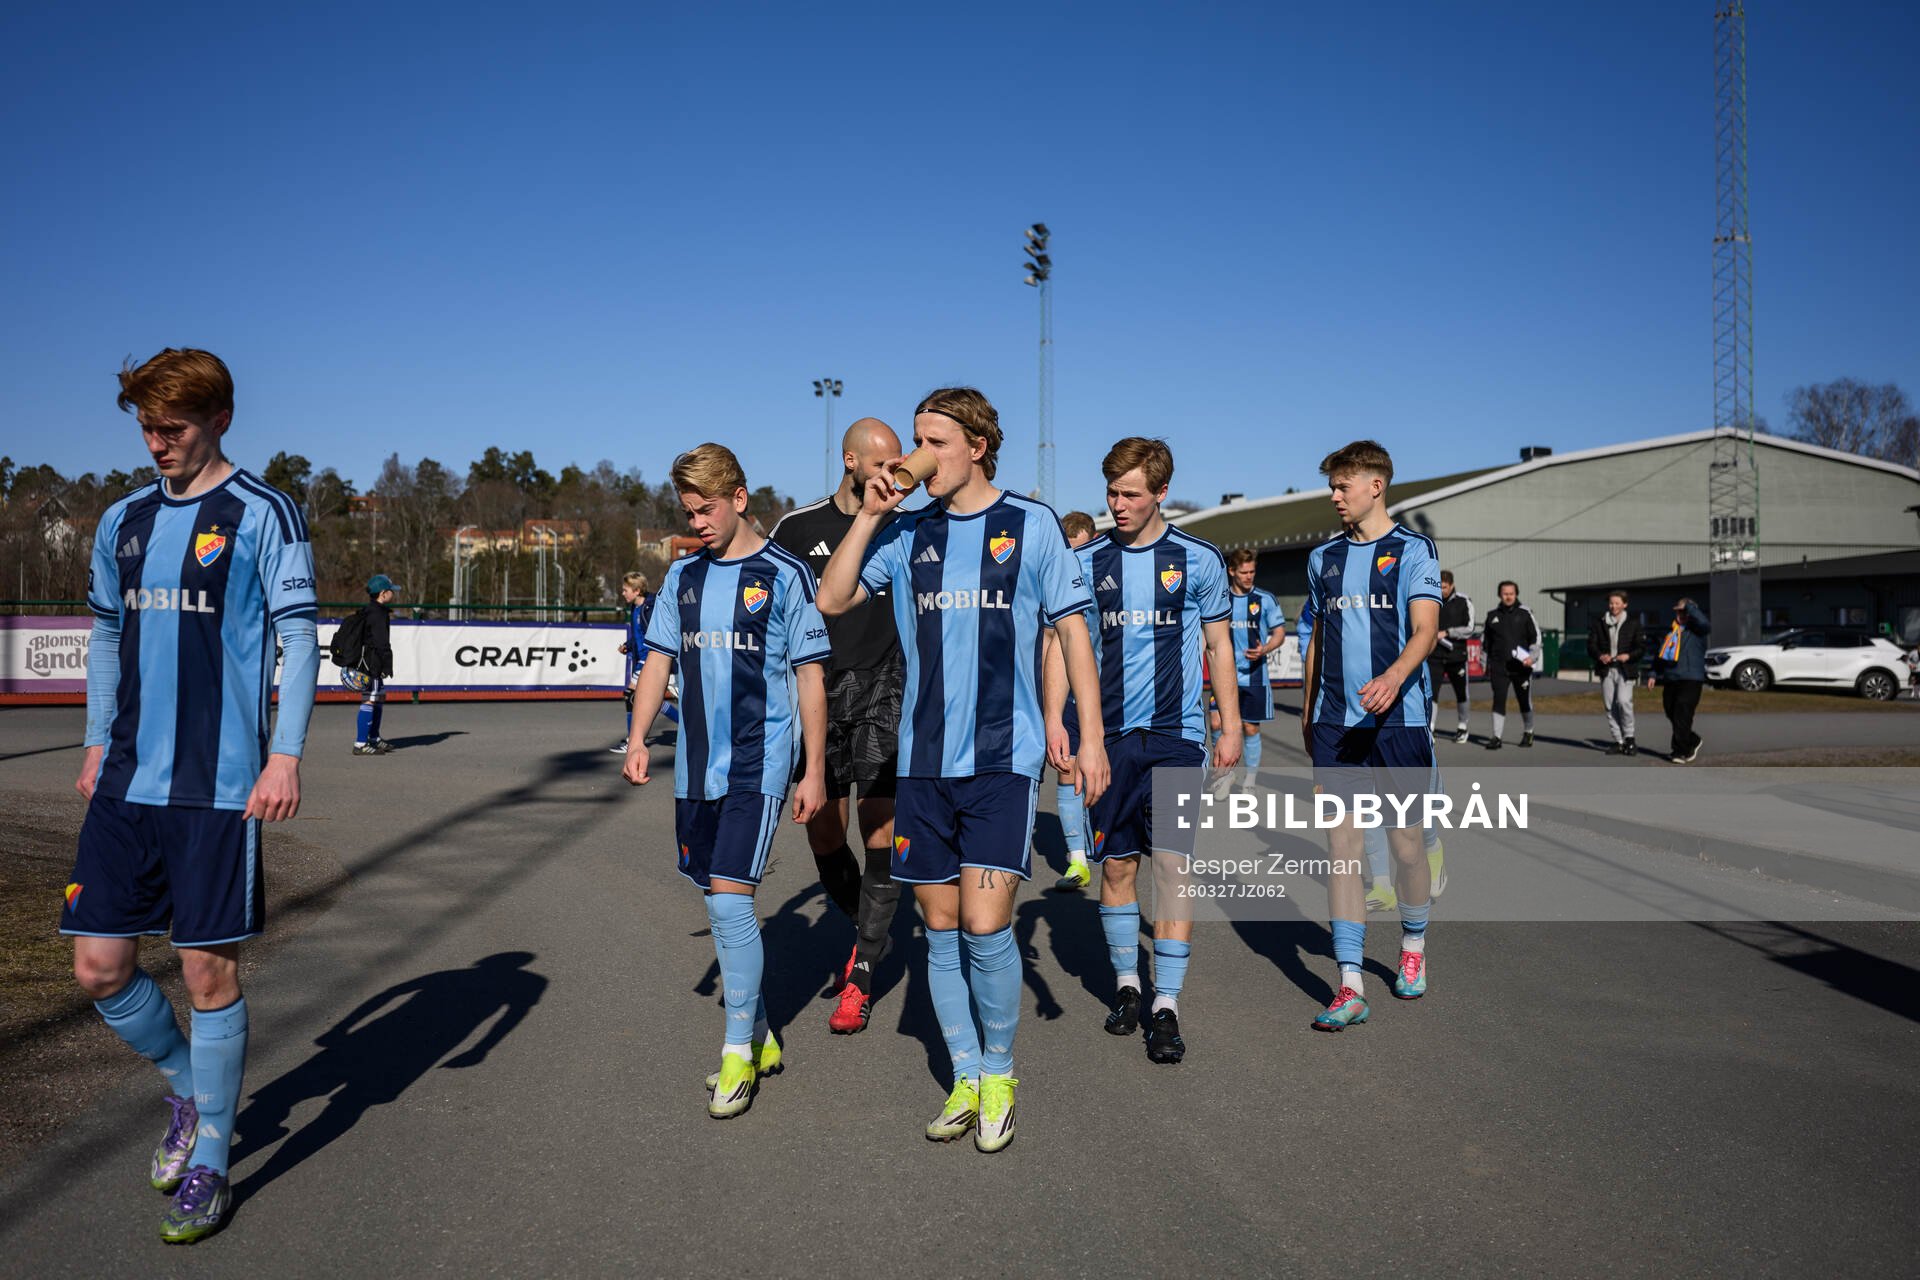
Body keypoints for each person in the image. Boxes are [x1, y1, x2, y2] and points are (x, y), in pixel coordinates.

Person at [64, 348, 319, 1243]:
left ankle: (212, 1155)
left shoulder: (264, 512)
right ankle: (187, 1088)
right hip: (126, 780)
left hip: (219, 786)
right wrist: (96, 738)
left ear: (220, 420)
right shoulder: (123, 518)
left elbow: (299, 638)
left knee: (209, 973)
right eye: (145, 426)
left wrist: (284, 756)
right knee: (98, 967)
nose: (156, 443)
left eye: (171, 427)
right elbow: (106, 633)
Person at [817, 387, 1107, 1153]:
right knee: (939, 927)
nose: (919, 456)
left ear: (976, 447)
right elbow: (833, 597)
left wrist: (1092, 738)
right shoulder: (908, 532)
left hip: (1002, 760)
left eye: (934, 442)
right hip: (922, 764)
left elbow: (1073, 634)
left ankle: (1001, 1074)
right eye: (915, 440)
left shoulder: (1032, 526)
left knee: (985, 924)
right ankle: (967, 1076)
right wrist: (871, 513)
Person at [622, 443, 830, 1119]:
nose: (698, 523)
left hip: (757, 763)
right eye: (688, 512)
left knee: (731, 898)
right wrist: (637, 738)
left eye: (706, 509)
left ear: (739, 499)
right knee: (716, 901)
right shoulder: (682, 577)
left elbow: (810, 677)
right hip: (694, 766)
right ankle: (761, 1029)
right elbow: (657, 663)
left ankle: (737, 1052)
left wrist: (814, 769)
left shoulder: (785, 574)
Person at [1048, 438, 1242, 1065]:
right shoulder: (1085, 561)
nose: (1118, 503)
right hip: (1106, 743)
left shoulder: (1198, 559)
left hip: (1176, 739)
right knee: (1117, 868)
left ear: (1161, 492)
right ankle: (1128, 986)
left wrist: (1230, 726)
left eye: (1130, 493)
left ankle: (1168, 1004)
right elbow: (1062, 644)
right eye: (1112, 492)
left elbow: (1218, 645)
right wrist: (1056, 721)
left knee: (1173, 867)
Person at [770, 418, 910, 1033]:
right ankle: (869, 929)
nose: (892, 474)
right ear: (850, 460)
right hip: (817, 694)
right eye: (880, 463)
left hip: (885, 687)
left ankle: (862, 974)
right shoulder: (797, 529)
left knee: (882, 831)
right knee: (826, 835)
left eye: (897, 463)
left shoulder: (905, 527)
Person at [1299, 439, 1441, 1030]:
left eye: (1343, 485)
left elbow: (1426, 630)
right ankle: (1350, 983)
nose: (1335, 496)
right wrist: (1309, 714)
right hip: (1336, 724)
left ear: (1375, 486)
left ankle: (1413, 944)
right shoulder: (1322, 559)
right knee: (1344, 849)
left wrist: (1394, 677)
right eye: (1332, 486)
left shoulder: (1413, 549)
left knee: (1407, 848)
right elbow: (1316, 639)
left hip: (1398, 721)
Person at [1049, 510, 1101, 891]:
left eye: (1081, 550)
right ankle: (1078, 860)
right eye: (1070, 551)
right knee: (1067, 766)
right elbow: (1050, 640)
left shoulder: (1107, 572)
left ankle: (1105, 840)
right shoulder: (1056, 576)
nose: (1075, 560)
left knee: (1103, 768)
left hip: (1109, 692)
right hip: (1068, 690)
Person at [1224, 548, 1286, 788]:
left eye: (1252, 572)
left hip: (1255, 676)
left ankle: (1249, 780)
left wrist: (1264, 649)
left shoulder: (1265, 599)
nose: (1249, 576)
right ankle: (1224, 775)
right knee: (1218, 723)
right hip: (1226, 676)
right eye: (1244, 572)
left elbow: (1279, 633)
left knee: (1250, 727)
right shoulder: (1221, 599)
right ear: (1232, 571)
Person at [613, 571, 679, 752]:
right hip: (641, 658)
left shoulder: (650, 607)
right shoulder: (635, 608)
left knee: (632, 695)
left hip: (650, 659)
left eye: (626, 590)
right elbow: (639, 636)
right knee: (644, 699)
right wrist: (628, 645)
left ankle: (632, 740)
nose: (623, 593)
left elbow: (659, 634)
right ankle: (686, 725)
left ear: (637, 590)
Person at [1649, 596, 1711, 763]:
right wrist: (1653, 673)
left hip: (1691, 678)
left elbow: (1705, 623)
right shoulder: (1671, 633)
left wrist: (1689, 607)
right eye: (1678, 611)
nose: (1681, 615)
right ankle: (1692, 739)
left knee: (1682, 712)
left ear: (1692, 612)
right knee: (1670, 711)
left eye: (1684, 612)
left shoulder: (1697, 631)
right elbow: (1660, 655)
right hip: (1671, 678)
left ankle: (1681, 751)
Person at [1481, 581, 1541, 750]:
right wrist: (1484, 664)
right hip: (1499, 666)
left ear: (1516, 594)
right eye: (1505, 593)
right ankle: (1496, 737)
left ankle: (1528, 731)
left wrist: (1532, 658)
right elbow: (1485, 644)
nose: (1508, 597)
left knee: (1524, 701)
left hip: (1521, 667)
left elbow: (1535, 639)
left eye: (1511, 593)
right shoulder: (1492, 616)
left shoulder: (1525, 614)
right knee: (1498, 700)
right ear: (1500, 595)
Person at [1587, 589, 1644, 755]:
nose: (1613, 606)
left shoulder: (1633, 623)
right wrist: (1600, 655)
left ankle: (1630, 738)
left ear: (1625, 604)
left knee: (1624, 701)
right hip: (1606, 670)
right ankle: (1619, 741)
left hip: (1625, 670)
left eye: (1617, 603)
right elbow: (1591, 645)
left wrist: (1628, 656)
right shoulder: (1600, 623)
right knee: (1609, 705)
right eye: (1611, 603)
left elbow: (1641, 647)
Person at [352, 574, 398, 755]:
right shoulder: (378, 613)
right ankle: (361, 743)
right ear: (383, 593)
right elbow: (381, 642)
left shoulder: (370, 610)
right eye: (391, 591)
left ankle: (373, 737)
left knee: (378, 697)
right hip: (372, 663)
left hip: (369, 661)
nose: (393, 593)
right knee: (370, 699)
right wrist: (387, 665)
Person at [1429, 570, 1475, 743]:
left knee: (1461, 693)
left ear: (1452, 585)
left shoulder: (1464, 601)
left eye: (1445, 587)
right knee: (1432, 693)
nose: (1442, 590)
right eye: (1439, 587)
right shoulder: (1431, 600)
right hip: (1434, 655)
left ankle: (1462, 727)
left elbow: (1470, 628)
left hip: (1457, 656)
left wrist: (1447, 632)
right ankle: (1430, 728)